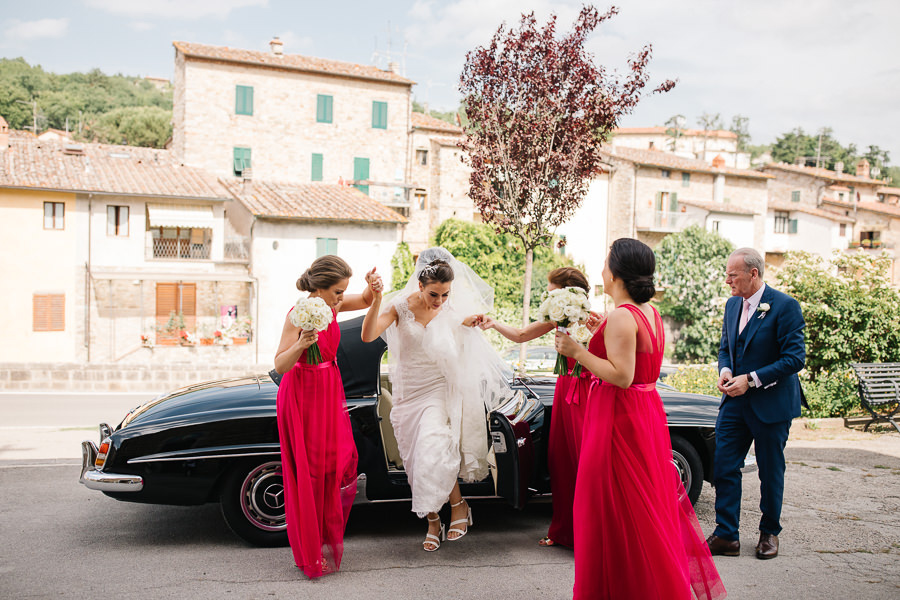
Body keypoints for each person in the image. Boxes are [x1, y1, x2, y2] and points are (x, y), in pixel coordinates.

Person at [556, 238, 726, 600]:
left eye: (605, 263)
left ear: (616, 273)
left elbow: (621, 375)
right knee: (637, 505)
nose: (602, 270)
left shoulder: (622, 315)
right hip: (643, 413)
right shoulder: (648, 312)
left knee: (604, 506)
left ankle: (614, 588)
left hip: (617, 418)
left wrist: (577, 351)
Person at [361, 247, 512, 552]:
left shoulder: (449, 308)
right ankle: (433, 520)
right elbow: (367, 336)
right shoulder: (398, 307)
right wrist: (377, 299)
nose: (440, 301)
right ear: (420, 285)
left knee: (433, 449)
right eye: (434, 295)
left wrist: (471, 323)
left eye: (445, 294)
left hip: (438, 390)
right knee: (417, 459)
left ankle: (457, 506)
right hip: (408, 392)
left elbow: (458, 331)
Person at [273, 255, 382, 578]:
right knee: (308, 475)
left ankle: (319, 538)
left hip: (328, 391)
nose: (339, 298)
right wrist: (303, 342)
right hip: (302, 394)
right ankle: (309, 551)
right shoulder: (298, 314)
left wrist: (373, 290)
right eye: (337, 291)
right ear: (319, 289)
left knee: (335, 465)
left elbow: (364, 300)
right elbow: (280, 364)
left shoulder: (330, 307)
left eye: (342, 291)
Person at [478, 266, 599, 548]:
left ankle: (590, 532)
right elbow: (521, 335)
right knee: (562, 461)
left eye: (550, 288)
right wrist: (493, 324)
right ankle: (564, 530)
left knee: (585, 462)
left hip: (586, 393)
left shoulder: (595, 319)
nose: (547, 293)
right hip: (565, 389)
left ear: (566, 290)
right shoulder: (559, 319)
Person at [706, 248, 806, 561]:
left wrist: (749, 379)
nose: (727, 281)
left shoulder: (786, 306)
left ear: (753, 274)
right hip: (734, 403)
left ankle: (769, 532)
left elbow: (794, 359)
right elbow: (726, 349)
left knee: (771, 471)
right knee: (723, 466)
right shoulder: (732, 304)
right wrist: (725, 371)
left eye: (732, 275)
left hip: (772, 404)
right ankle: (726, 535)